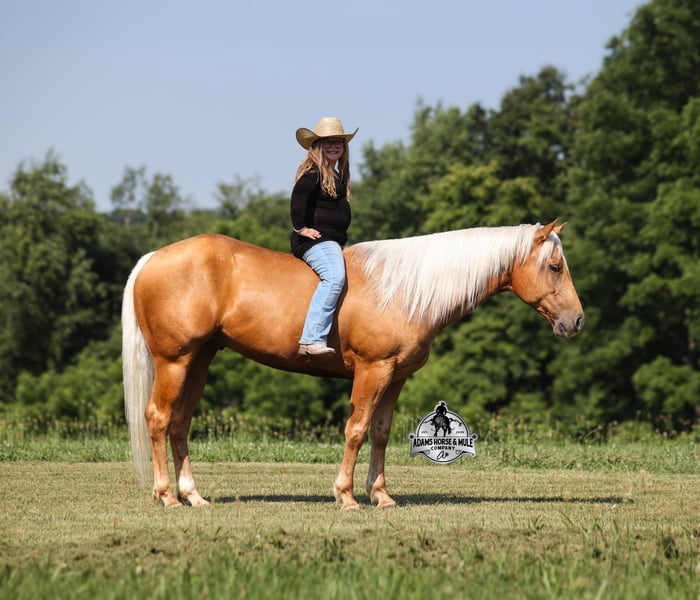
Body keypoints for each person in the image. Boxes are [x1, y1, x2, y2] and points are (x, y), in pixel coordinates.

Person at [290, 116, 358, 357]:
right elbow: (298, 198)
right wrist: (300, 228)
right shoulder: (314, 173)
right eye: (327, 142)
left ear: (343, 147)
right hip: (316, 241)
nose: (332, 146)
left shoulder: (336, 174)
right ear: (317, 146)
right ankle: (311, 339)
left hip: (332, 241)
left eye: (337, 142)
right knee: (334, 277)